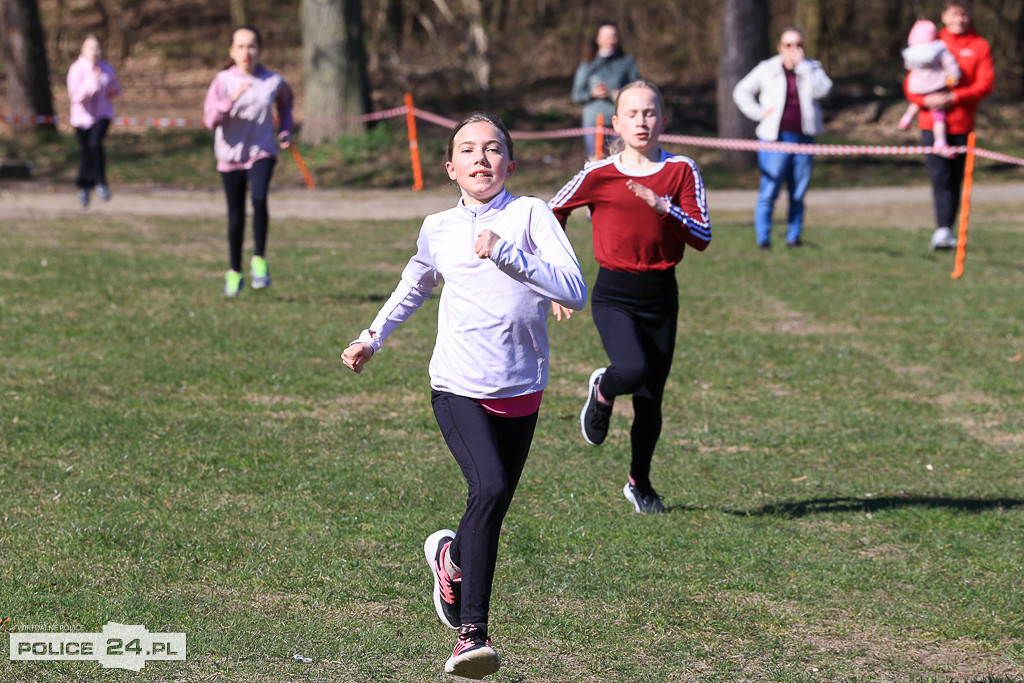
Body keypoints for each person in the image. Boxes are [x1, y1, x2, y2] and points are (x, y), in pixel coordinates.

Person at [341, 112, 586, 678]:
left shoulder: (531, 215)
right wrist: (371, 337)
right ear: (451, 168)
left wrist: (507, 253)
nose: (482, 158)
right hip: (456, 386)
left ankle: (450, 559)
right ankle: (471, 634)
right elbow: (414, 286)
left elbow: (574, 286)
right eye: (468, 151)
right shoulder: (438, 228)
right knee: (490, 486)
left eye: (494, 149)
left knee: (492, 507)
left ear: (510, 162)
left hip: (523, 387)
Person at [549, 81, 712, 515]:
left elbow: (703, 236)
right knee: (632, 369)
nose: (642, 121)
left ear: (663, 120)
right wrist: (554, 280)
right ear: (616, 123)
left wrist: (665, 207)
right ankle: (603, 388)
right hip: (614, 293)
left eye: (651, 112)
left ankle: (639, 483)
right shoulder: (598, 173)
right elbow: (549, 217)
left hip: (662, 295)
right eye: (633, 114)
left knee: (650, 398)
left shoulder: (681, 171)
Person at [203, 25, 294, 296]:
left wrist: (285, 130)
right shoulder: (222, 81)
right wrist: (230, 100)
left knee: (258, 197)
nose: (246, 52)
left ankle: (259, 260)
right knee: (235, 217)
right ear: (232, 51)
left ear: (260, 50)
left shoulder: (273, 80)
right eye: (240, 46)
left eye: (251, 46)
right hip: (230, 156)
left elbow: (286, 103)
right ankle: (234, 271)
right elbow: (210, 120)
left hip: (262, 150)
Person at [904, 0, 994, 252]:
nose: (960, 19)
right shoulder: (930, 41)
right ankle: (941, 229)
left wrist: (955, 97)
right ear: (944, 16)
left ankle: (948, 228)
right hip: (931, 124)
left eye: (964, 14)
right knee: (940, 177)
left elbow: (985, 84)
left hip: (963, 124)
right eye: (954, 14)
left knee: (956, 180)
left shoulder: (980, 45)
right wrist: (924, 100)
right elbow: (911, 82)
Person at [732, 28, 832, 249]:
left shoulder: (812, 67)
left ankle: (793, 237)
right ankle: (763, 239)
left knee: (798, 193)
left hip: (804, 139)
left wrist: (804, 68)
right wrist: (758, 113)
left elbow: (823, 91)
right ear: (780, 48)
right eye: (788, 45)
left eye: (798, 45)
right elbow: (741, 91)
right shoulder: (767, 68)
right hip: (774, 139)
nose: (794, 49)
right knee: (769, 191)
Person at [67, 35, 123, 208]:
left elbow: (116, 90)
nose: (95, 52)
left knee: (95, 145)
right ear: (83, 50)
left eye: (98, 48)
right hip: (81, 118)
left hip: (102, 116)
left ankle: (101, 182)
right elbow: (76, 97)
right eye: (91, 48)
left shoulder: (107, 69)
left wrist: (114, 91)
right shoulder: (76, 69)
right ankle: (84, 186)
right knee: (86, 152)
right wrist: (93, 82)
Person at [571, 21, 639, 160]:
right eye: (606, 36)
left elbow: (639, 90)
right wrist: (592, 94)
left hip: (620, 121)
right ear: (598, 39)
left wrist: (623, 96)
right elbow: (576, 95)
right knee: (596, 162)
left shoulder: (626, 62)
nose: (610, 40)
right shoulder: (588, 64)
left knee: (621, 161)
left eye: (613, 36)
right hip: (594, 122)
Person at [898, 19, 961, 153]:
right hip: (935, 85)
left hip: (917, 86)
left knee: (917, 102)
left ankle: (907, 118)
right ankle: (940, 141)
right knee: (938, 115)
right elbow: (951, 64)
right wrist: (954, 77)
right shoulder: (939, 49)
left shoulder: (911, 53)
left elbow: (908, 66)